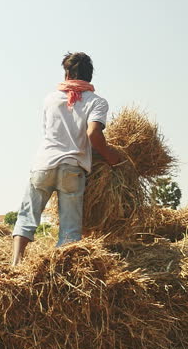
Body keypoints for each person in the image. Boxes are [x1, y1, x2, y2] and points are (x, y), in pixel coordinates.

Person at [10, 52, 121, 265]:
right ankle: (60, 271)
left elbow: (47, 132)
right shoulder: (97, 102)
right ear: (89, 76)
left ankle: (15, 264)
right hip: (72, 168)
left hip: (43, 164)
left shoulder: (51, 99)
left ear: (67, 74)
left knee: (27, 217)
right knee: (69, 230)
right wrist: (112, 158)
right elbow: (93, 135)